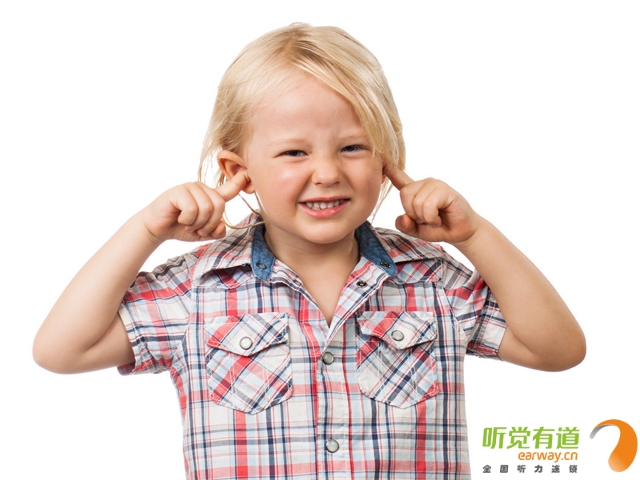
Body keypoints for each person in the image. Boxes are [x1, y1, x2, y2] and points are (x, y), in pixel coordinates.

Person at [33, 23, 585, 479]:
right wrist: (145, 230)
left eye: (352, 147)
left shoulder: (433, 279)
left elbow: (558, 349)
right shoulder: (196, 288)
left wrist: (475, 235)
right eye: (294, 152)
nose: (327, 173)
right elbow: (62, 351)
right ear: (238, 170)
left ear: (386, 158)